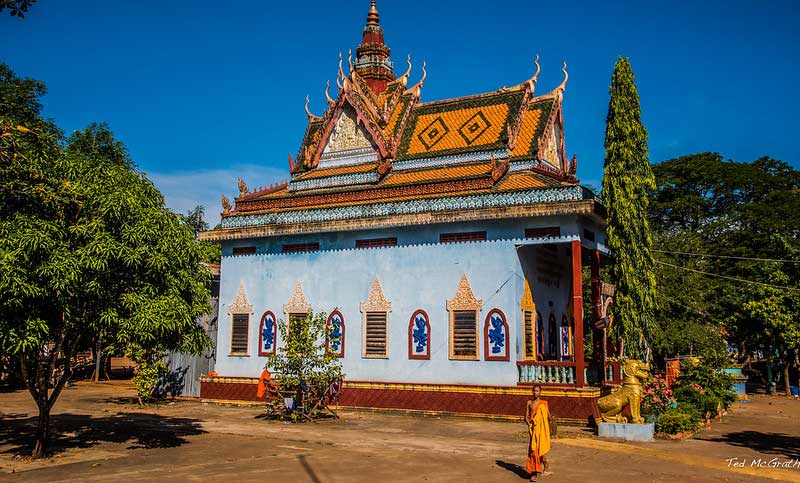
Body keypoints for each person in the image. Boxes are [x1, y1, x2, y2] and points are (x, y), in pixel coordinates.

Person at [525, 384, 552, 481]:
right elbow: (526, 417)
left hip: (541, 431)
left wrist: (547, 417)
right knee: (534, 451)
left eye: (537, 391)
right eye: (534, 391)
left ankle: (545, 466)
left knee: (540, 450)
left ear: (540, 392)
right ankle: (534, 473)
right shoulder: (529, 403)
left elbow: (548, 417)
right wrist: (530, 426)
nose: (535, 393)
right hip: (534, 431)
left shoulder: (544, 403)